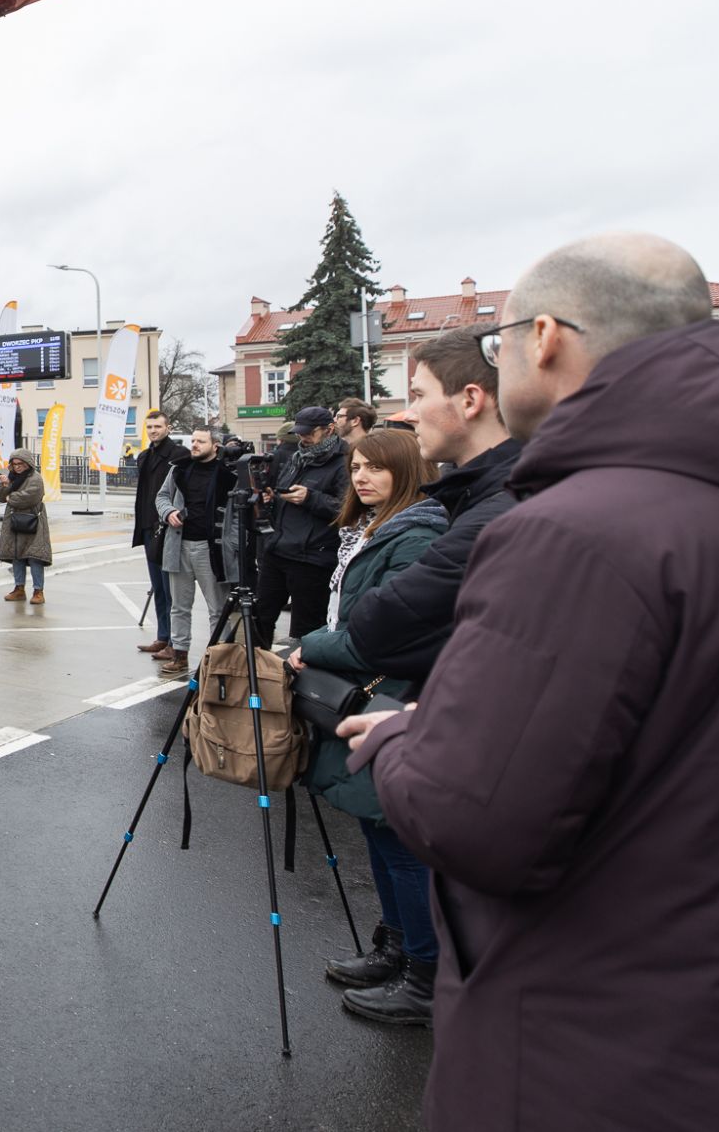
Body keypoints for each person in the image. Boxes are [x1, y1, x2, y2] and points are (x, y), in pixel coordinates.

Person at [340, 233, 719, 1129]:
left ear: (550, 337)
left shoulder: (575, 530)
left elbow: (476, 816)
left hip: (598, 1041)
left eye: (503, 337)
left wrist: (407, 736)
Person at [286, 429, 445, 1024]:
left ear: (407, 471)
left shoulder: (417, 536)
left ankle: (425, 975)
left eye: (376, 468)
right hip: (367, 697)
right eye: (356, 466)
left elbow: (390, 632)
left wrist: (314, 645)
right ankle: (398, 947)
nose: (361, 477)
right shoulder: (376, 528)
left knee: (400, 838)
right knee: (377, 831)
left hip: (393, 698)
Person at [333, 324, 518, 684]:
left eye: (419, 395)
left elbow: (377, 626)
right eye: (355, 468)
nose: (412, 412)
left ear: (470, 400)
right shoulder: (478, 496)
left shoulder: (495, 516)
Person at [250, 405, 345, 647]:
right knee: (260, 616)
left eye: (309, 433)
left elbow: (348, 508)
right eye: (300, 433)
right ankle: (257, 673)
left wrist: (310, 498)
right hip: (279, 548)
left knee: (306, 629)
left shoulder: (344, 461)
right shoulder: (297, 457)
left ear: (329, 429)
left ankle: (303, 681)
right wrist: (274, 498)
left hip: (312, 558)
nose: (303, 438)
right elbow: (286, 495)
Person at [153, 426, 236, 677]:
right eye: (193, 440)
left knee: (217, 608)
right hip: (179, 546)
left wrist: (231, 542)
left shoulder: (227, 474)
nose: (195, 445)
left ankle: (218, 659)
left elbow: (237, 513)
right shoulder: (179, 469)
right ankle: (179, 655)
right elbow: (162, 497)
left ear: (216, 446)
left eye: (201, 441)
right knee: (179, 606)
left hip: (211, 549)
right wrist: (169, 513)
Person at [131, 411, 189, 655]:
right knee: (158, 587)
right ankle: (163, 637)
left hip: (167, 527)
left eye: (157, 426)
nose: (153, 430)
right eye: (149, 427)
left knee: (171, 588)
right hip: (147, 526)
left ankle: (176, 642)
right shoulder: (144, 456)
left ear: (168, 427)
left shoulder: (179, 455)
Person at [0, 447, 51, 604]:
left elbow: (29, 497)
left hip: (33, 521)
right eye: (14, 464)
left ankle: (38, 591)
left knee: (34, 557)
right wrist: (4, 486)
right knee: (16, 555)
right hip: (14, 522)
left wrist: (10, 496)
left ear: (27, 464)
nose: (17, 467)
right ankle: (19, 589)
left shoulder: (35, 478)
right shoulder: (11, 478)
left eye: (20, 464)